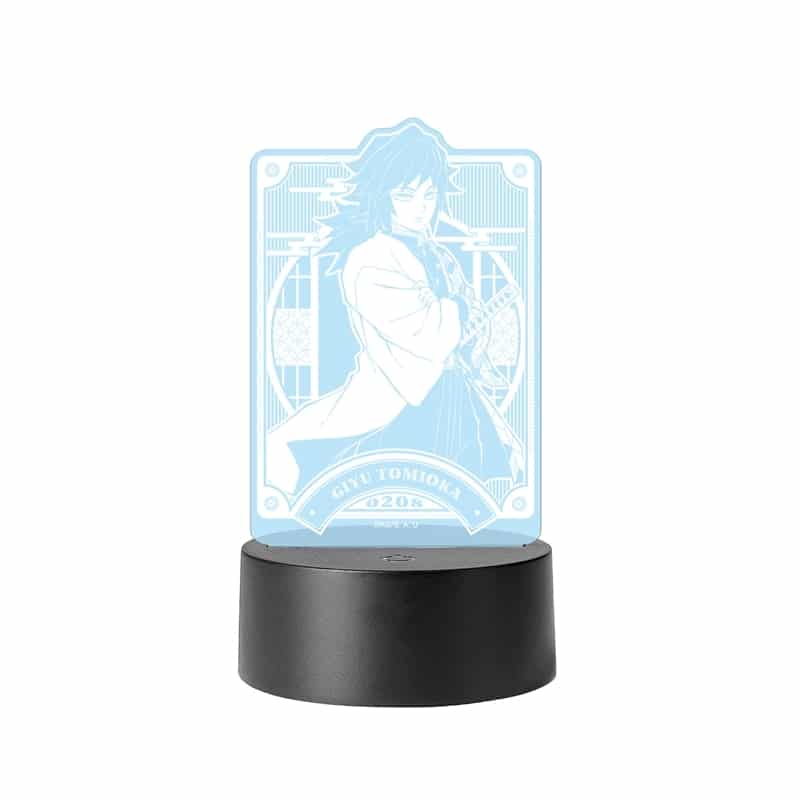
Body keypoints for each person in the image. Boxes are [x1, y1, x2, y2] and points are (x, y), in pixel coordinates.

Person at [267, 121, 523, 496]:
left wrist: (470, 323)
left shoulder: (436, 254)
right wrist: (458, 310)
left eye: (429, 195)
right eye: (406, 195)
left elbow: (460, 325)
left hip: (452, 390)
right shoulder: (370, 259)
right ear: (382, 196)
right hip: (401, 397)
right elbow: (426, 334)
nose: (421, 208)